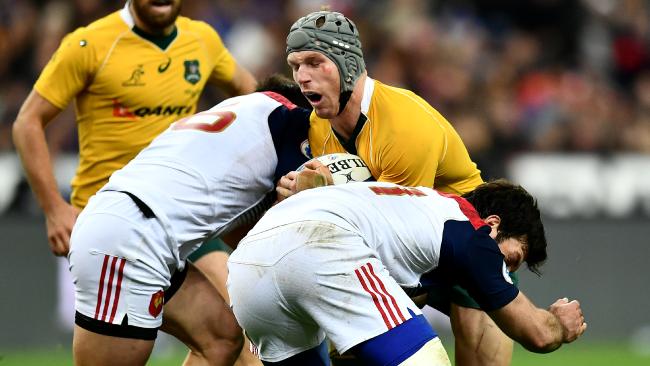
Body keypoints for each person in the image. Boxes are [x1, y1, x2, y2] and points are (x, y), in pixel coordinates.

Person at [11, 1, 258, 363]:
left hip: (181, 218)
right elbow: (27, 122)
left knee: (232, 337)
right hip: (115, 221)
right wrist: (53, 209)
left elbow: (254, 97)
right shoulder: (90, 44)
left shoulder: (201, 39)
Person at [279, 10, 512, 365]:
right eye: (296, 66)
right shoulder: (317, 126)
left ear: (347, 63)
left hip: (463, 233)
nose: (302, 77)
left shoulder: (403, 125)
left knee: (468, 318)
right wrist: (302, 196)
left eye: (315, 62)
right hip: (395, 234)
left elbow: (405, 233)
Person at [67, 74, 312, 365]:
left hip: (133, 227)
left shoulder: (236, 113)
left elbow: (241, 236)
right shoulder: (289, 117)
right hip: (131, 241)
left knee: (221, 339)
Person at [228, 179, 587, 365]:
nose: (504, 271)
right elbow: (538, 335)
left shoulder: (415, 213)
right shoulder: (472, 231)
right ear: (493, 224)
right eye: (511, 259)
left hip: (247, 269)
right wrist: (559, 324)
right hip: (322, 244)